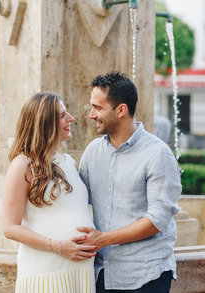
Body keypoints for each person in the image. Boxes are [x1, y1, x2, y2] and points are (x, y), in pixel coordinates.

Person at [78, 72, 182, 292]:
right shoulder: (92, 152)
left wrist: (103, 239)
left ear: (121, 110)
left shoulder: (158, 154)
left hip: (145, 276)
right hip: (102, 274)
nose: (91, 115)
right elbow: (75, 200)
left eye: (97, 107)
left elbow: (157, 220)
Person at [1, 92, 97, 293]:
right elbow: (10, 228)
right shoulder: (22, 165)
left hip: (79, 270)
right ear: (44, 123)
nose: (71, 118)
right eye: (62, 115)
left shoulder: (68, 161)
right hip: (46, 272)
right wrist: (59, 247)